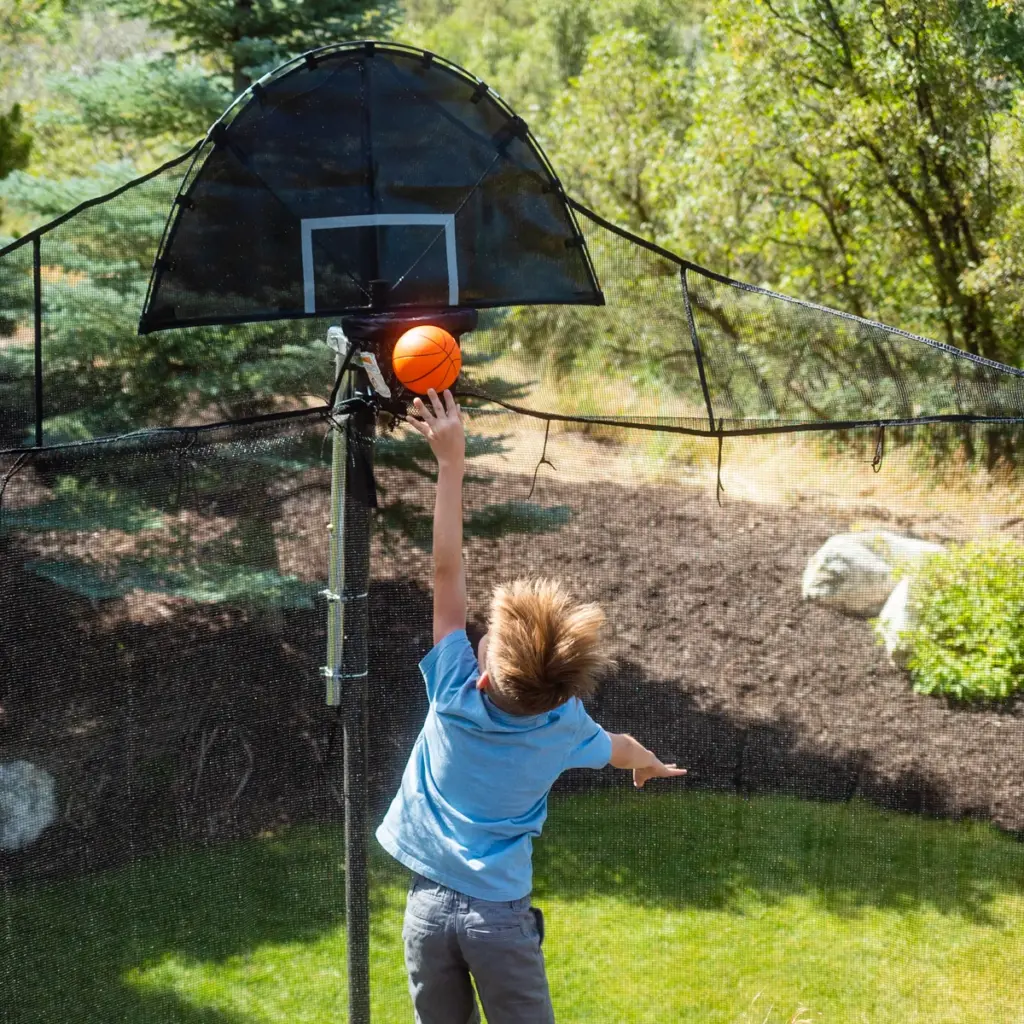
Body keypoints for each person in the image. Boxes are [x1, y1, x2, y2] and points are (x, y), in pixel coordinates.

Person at [376, 387, 687, 1024]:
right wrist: (646, 762)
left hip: (428, 909)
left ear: (484, 674)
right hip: (501, 920)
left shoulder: (454, 690)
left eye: (483, 636)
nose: (478, 634)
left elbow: (445, 576)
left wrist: (451, 464)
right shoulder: (562, 724)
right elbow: (619, 748)